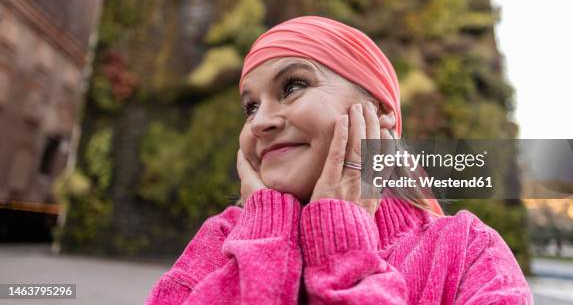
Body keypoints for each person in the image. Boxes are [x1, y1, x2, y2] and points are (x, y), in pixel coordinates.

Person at [145, 16, 533, 304]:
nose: (260, 121)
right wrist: (265, 231)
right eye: (250, 106)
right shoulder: (220, 238)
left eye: (293, 86)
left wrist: (340, 241)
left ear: (381, 112)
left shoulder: (469, 251)